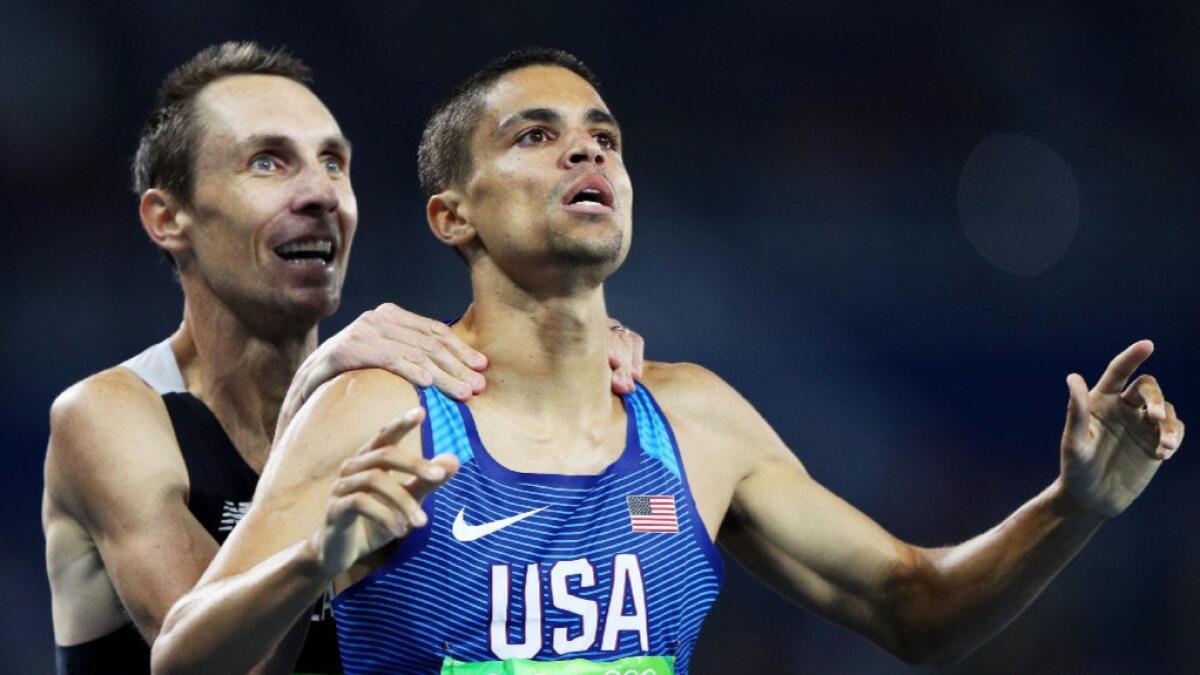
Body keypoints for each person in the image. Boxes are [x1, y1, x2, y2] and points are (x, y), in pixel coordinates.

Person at [151, 48, 1184, 675]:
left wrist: (1072, 508)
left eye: (605, 137)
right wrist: (306, 567)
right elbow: (183, 657)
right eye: (537, 136)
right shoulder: (382, 410)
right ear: (450, 213)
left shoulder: (696, 422)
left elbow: (915, 609)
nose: (588, 153)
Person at [42, 43, 645, 675]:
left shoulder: (383, 397)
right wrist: (311, 399)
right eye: (267, 162)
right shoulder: (111, 417)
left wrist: (572, 360)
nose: (319, 193)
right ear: (169, 218)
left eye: (333, 163)